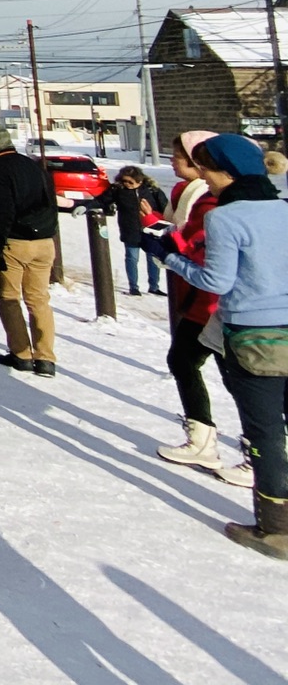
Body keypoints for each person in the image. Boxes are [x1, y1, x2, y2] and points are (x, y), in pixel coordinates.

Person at [147, 133, 288, 559]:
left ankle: (276, 529)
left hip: (252, 337)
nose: (202, 177)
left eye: (206, 169)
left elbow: (216, 282)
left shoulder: (224, 219)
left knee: (265, 432)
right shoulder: (282, 208)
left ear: (227, 172)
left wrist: (166, 256)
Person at [154, 131, 243, 478]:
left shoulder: (217, 204)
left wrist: (169, 245)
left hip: (214, 304)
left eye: (182, 158)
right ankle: (204, 439)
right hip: (201, 302)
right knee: (185, 360)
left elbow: (199, 249)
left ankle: (259, 451)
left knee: (239, 378)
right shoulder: (200, 196)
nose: (174, 163)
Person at [0, 126, 60, 378]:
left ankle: (21, 354)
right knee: (39, 299)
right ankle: (45, 358)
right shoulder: (34, 166)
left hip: (14, 242)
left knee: (9, 298)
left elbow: (0, 212)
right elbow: (50, 202)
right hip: (45, 242)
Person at [104, 164, 168, 297]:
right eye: (124, 181)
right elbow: (102, 200)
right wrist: (84, 206)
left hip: (150, 230)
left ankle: (154, 286)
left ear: (139, 181)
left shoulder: (151, 190)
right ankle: (133, 287)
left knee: (153, 258)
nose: (126, 184)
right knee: (132, 258)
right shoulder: (118, 190)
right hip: (130, 229)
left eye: (130, 182)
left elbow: (165, 207)